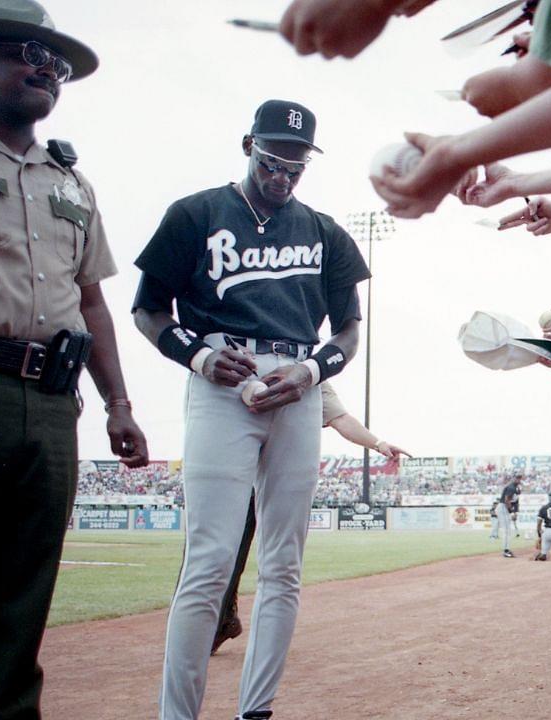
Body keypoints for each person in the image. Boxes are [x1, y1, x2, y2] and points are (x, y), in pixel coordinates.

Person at [0, 2, 149, 716]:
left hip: (51, 408)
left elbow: (92, 304)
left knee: (17, 618)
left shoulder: (71, 183)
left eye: (56, 64)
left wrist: (118, 404)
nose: (46, 71)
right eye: (27, 53)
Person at [131, 99, 370, 720]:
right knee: (209, 562)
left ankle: (256, 710)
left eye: (296, 165)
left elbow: (348, 329)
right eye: (273, 160)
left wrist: (316, 369)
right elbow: (147, 309)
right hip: (221, 384)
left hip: (298, 383)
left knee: (283, 565)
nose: (283, 175)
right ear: (248, 146)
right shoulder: (195, 213)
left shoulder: (324, 231)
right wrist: (199, 359)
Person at [212, 382, 410, 654]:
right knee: (220, 552)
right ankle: (222, 619)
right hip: (237, 471)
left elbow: (341, 418)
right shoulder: (242, 360)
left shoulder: (312, 376)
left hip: (276, 475)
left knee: (276, 562)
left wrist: (379, 444)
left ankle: (242, 630)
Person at [497, 474, 523, 557]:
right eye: (517, 478)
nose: (518, 480)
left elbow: (515, 503)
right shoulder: (511, 487)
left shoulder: (516, 489)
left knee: (508, 530)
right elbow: (507, 500)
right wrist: (511, 513)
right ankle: (506, 551)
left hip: (506, 508)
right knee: (507, 530)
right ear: (513, 478)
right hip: (503, 507)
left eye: (520, 478)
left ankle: (507, 549)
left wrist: (515, 513)